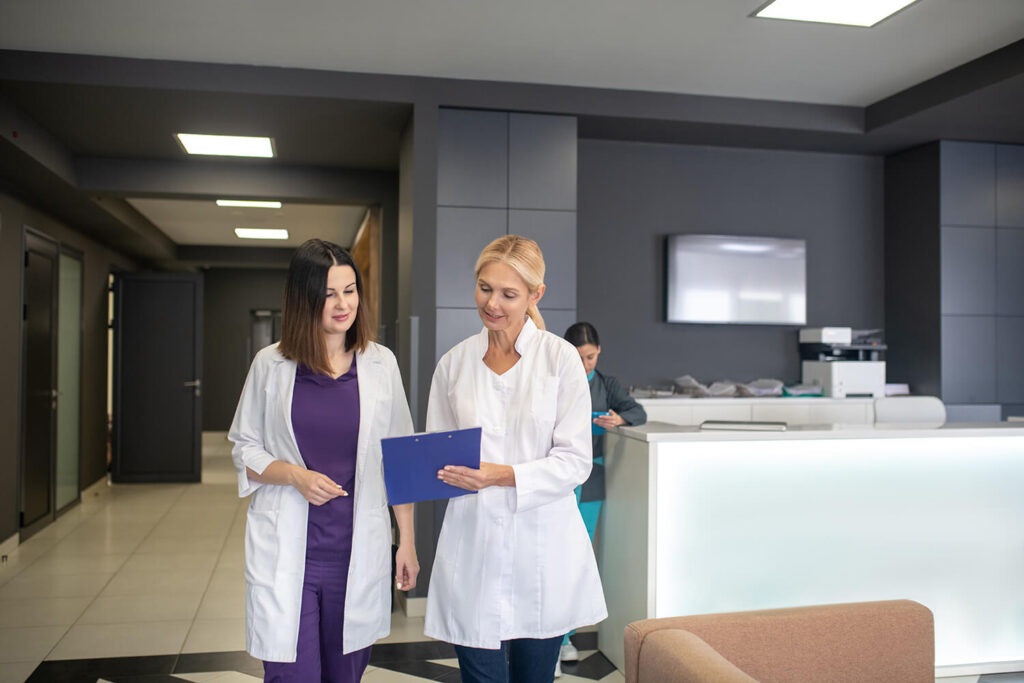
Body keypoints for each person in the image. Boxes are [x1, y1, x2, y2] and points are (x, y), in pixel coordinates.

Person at [228, 239, 418, 682]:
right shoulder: (271, 364)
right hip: (288, 551)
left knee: (345, 675)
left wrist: (406, 541)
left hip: (356, 552)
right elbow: (244, 450)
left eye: (350, 291)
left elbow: (401, 458)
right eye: (328, 294)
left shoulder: (381, 364)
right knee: (291, 675)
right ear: (303, 299)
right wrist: (294, 475)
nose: (342, 304)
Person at [424, 235, 607, 683]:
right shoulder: (454, 364)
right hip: (473, 547)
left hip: (541, 551)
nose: (492, 304)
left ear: (535, 295)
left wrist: (500, 475)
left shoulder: (560, 359)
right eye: (485, 288)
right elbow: (438, 454)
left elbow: (575, 462)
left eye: (508, 294)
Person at [558, 321, 647, 663]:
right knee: (554, 558)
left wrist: (618, 420)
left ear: (599, 353)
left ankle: (565, 637)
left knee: (577, 560)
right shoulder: (553, 380)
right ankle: (544, 636)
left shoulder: (608, 385)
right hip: (558, 480)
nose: (585, 365)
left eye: (590, 357)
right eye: (578, 357)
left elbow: (637, 412)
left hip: (591, 481)